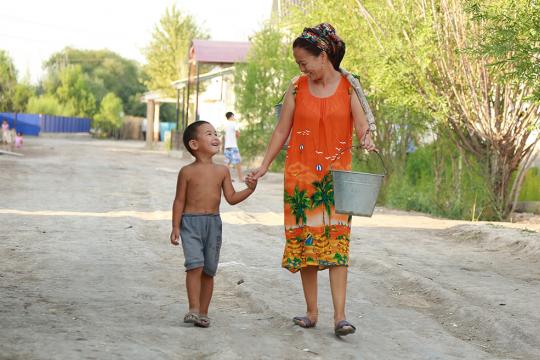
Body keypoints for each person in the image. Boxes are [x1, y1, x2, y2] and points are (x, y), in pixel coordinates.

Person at [248, 23, 376, 336]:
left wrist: (367, 140)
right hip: (300, 178)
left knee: (336, 247)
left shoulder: (348, 86)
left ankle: (340, 317)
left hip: (336, 180)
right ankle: (311, 312)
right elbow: (282, 130)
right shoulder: (296, 87)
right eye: (298, 65)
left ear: (323, 55)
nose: (302, 69)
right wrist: (264, 165)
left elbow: (363, 125)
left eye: (304, 62)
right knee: (307, 244)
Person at [170, 120, 257, 328]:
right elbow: (179, 201)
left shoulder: (222, 171)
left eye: (215, 133)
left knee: (208, 270)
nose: (215, 136)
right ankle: (193, 308)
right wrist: (175, 226)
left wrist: (250, 189)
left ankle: (203, 313)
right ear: (194, 144)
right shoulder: (187, 172)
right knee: (194, 266)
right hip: (190, 223)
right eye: (208, 134)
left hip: (213, 224)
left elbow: (232, 197)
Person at [222, 112, 244, 181]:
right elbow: (238, 134)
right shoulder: (234, 123)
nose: (234, 118)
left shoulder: (225, 125)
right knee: (238, 161)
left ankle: (227, 179)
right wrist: (237, 135)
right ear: (231, 116)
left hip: (227, 146)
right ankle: (240, 178)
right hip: (233, 146)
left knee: (227, 163)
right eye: (233, 116)